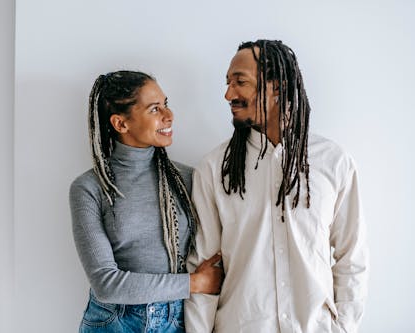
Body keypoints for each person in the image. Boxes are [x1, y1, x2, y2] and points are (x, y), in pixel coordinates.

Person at [185, 40, 368, 333]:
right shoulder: (213, 168)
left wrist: (344, 327)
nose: (228, 94)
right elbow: (204, 267)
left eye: (239, 82)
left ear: (278, 86)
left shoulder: (333, 162)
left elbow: (352, 257)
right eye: (227, 83)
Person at [69, 70, 224, 333]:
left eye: (166, 104)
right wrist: (195, 284)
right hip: (113, 323)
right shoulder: (89, 188)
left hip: (177, 320)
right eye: (154, 109)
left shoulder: (188, 179)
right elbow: (106, 284)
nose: (169, 115)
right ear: (121, 124)